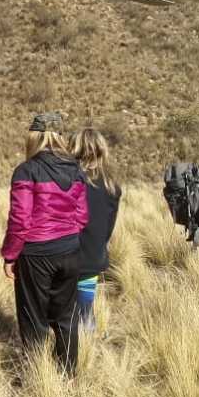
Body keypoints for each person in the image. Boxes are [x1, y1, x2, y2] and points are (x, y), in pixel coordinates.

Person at [1, 112, 88, 375]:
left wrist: (10, 256)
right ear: (60, 137)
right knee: (66, 317)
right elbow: (82, 217)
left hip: (36, 255)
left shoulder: (26, 170)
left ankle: (37, 377)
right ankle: (68, 375)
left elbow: (20, 220)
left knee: (33, 318)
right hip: (71, 251)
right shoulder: (76, 170)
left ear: (34, 136)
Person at [71, 129, 122, 330]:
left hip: (66, 256)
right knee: (85, 308)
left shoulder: (67, 181)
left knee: (66, 312)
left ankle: (67, 355)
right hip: (93, 257)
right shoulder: (111, 186)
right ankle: (87, 352)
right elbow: (109, 227)